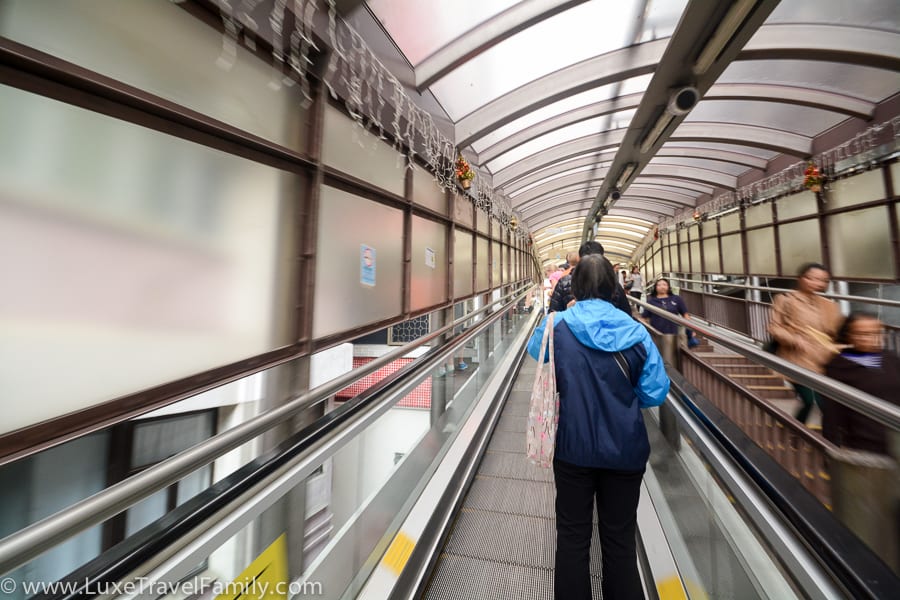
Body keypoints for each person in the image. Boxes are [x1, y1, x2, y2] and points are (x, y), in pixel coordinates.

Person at [527, 255, 670, 600]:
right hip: (625, 450)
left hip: (572, 448)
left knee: (573, 538)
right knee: (619, 542)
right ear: (615, 287)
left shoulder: (557, 325)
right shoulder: (636, 332)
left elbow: (536, 351)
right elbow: (654, 393)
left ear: (574, 287)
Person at [768, 262, 843, 424]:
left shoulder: (829, 305)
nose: (818, 283)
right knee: (810, 400)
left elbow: (838, 332)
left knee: (826, 404)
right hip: (797, 359)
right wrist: (794, 339)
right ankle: (798, 432)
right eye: (812, 278)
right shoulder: (785, 300)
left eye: (823, 281)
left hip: (823, 359)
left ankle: (830, 439)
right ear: (800, 279)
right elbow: (775, 328)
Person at [823, 312, 900, 454]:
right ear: (849, 335)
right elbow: (832, 411)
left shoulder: (891, 358)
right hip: (864, 444)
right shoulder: (839, 365)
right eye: (860, 334)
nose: (866, 339)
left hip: (895, 437)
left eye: (872, 333)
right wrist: (831, 446)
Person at [548, 241, 632, 316]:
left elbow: (553, 315)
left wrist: (568, 313)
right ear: (602, 258)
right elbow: (626, 314)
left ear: (580, 259)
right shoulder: (613, 284)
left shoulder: (564, 282)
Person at [643, 278, 699, 347]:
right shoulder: (651, 301)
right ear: (655, 287)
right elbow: (644, 318)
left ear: (668, 287)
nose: (662, 286)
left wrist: (691, 330)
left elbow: (685, 315)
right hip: (656, 334)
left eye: (664, 284)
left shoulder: (676, 299)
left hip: (672, 335)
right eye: (659, 285)